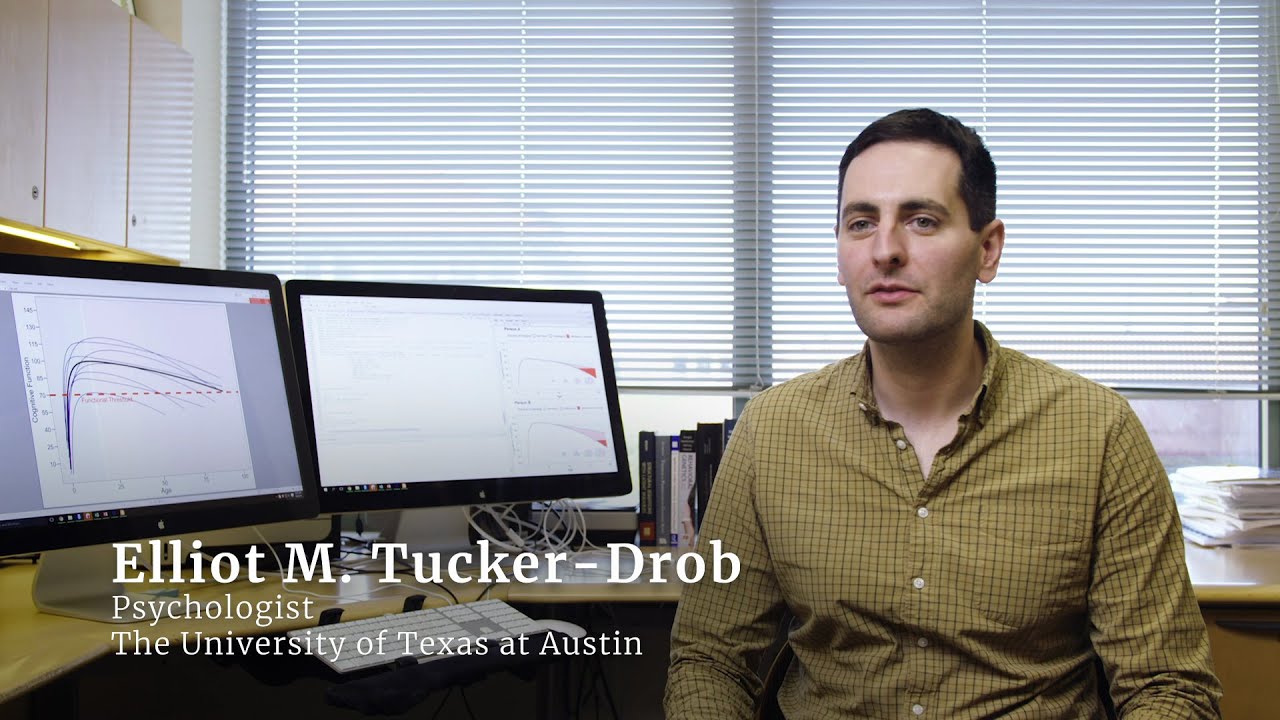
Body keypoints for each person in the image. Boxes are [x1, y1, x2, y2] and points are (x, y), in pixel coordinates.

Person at [664, 108, 1221, 719]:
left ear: (988, 250)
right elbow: (711, 660)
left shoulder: (1099, 433)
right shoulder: (773, 431)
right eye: (861, 223)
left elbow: (1167, 687)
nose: (886, 251)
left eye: (922, 221)